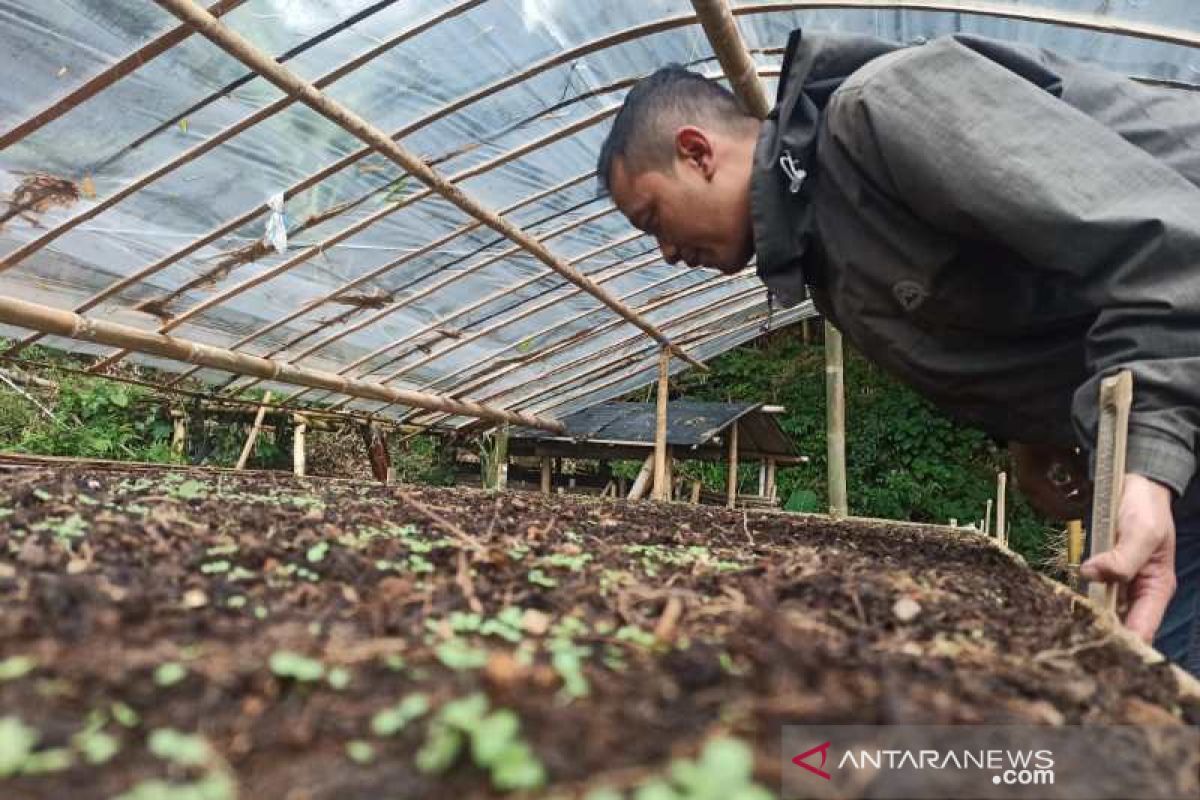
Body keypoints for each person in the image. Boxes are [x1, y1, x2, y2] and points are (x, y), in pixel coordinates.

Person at [596, 29, 1200, 675]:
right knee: (1149, 679)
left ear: (696, 153)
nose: (664, 253)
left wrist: (1146, 463)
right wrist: (1033, 437)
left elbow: (1162, 248)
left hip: (1180, 384)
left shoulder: (883, 110)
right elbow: (1019, 297)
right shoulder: (829, 251)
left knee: (1154, 695)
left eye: (653, 219)